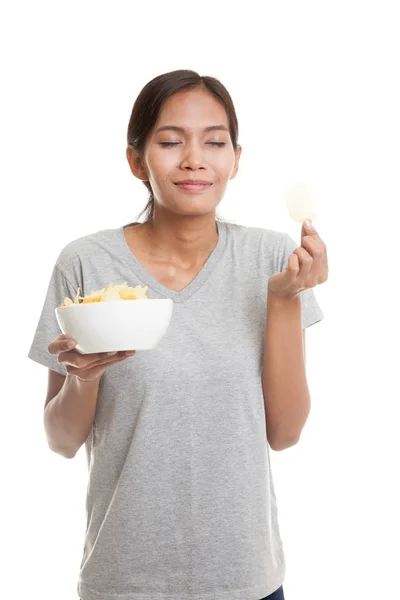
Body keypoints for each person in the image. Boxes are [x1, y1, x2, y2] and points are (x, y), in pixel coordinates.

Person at [28, 69, 328, 600]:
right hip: (123, 581)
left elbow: (285, 433)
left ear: (236, 158)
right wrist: (84, 377)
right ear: (136, 160)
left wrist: (282, 300)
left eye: (214, 142)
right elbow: (62, 440)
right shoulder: (86, 263)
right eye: (170, 142)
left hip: (245, 581)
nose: (194, 159)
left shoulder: (269, 258)